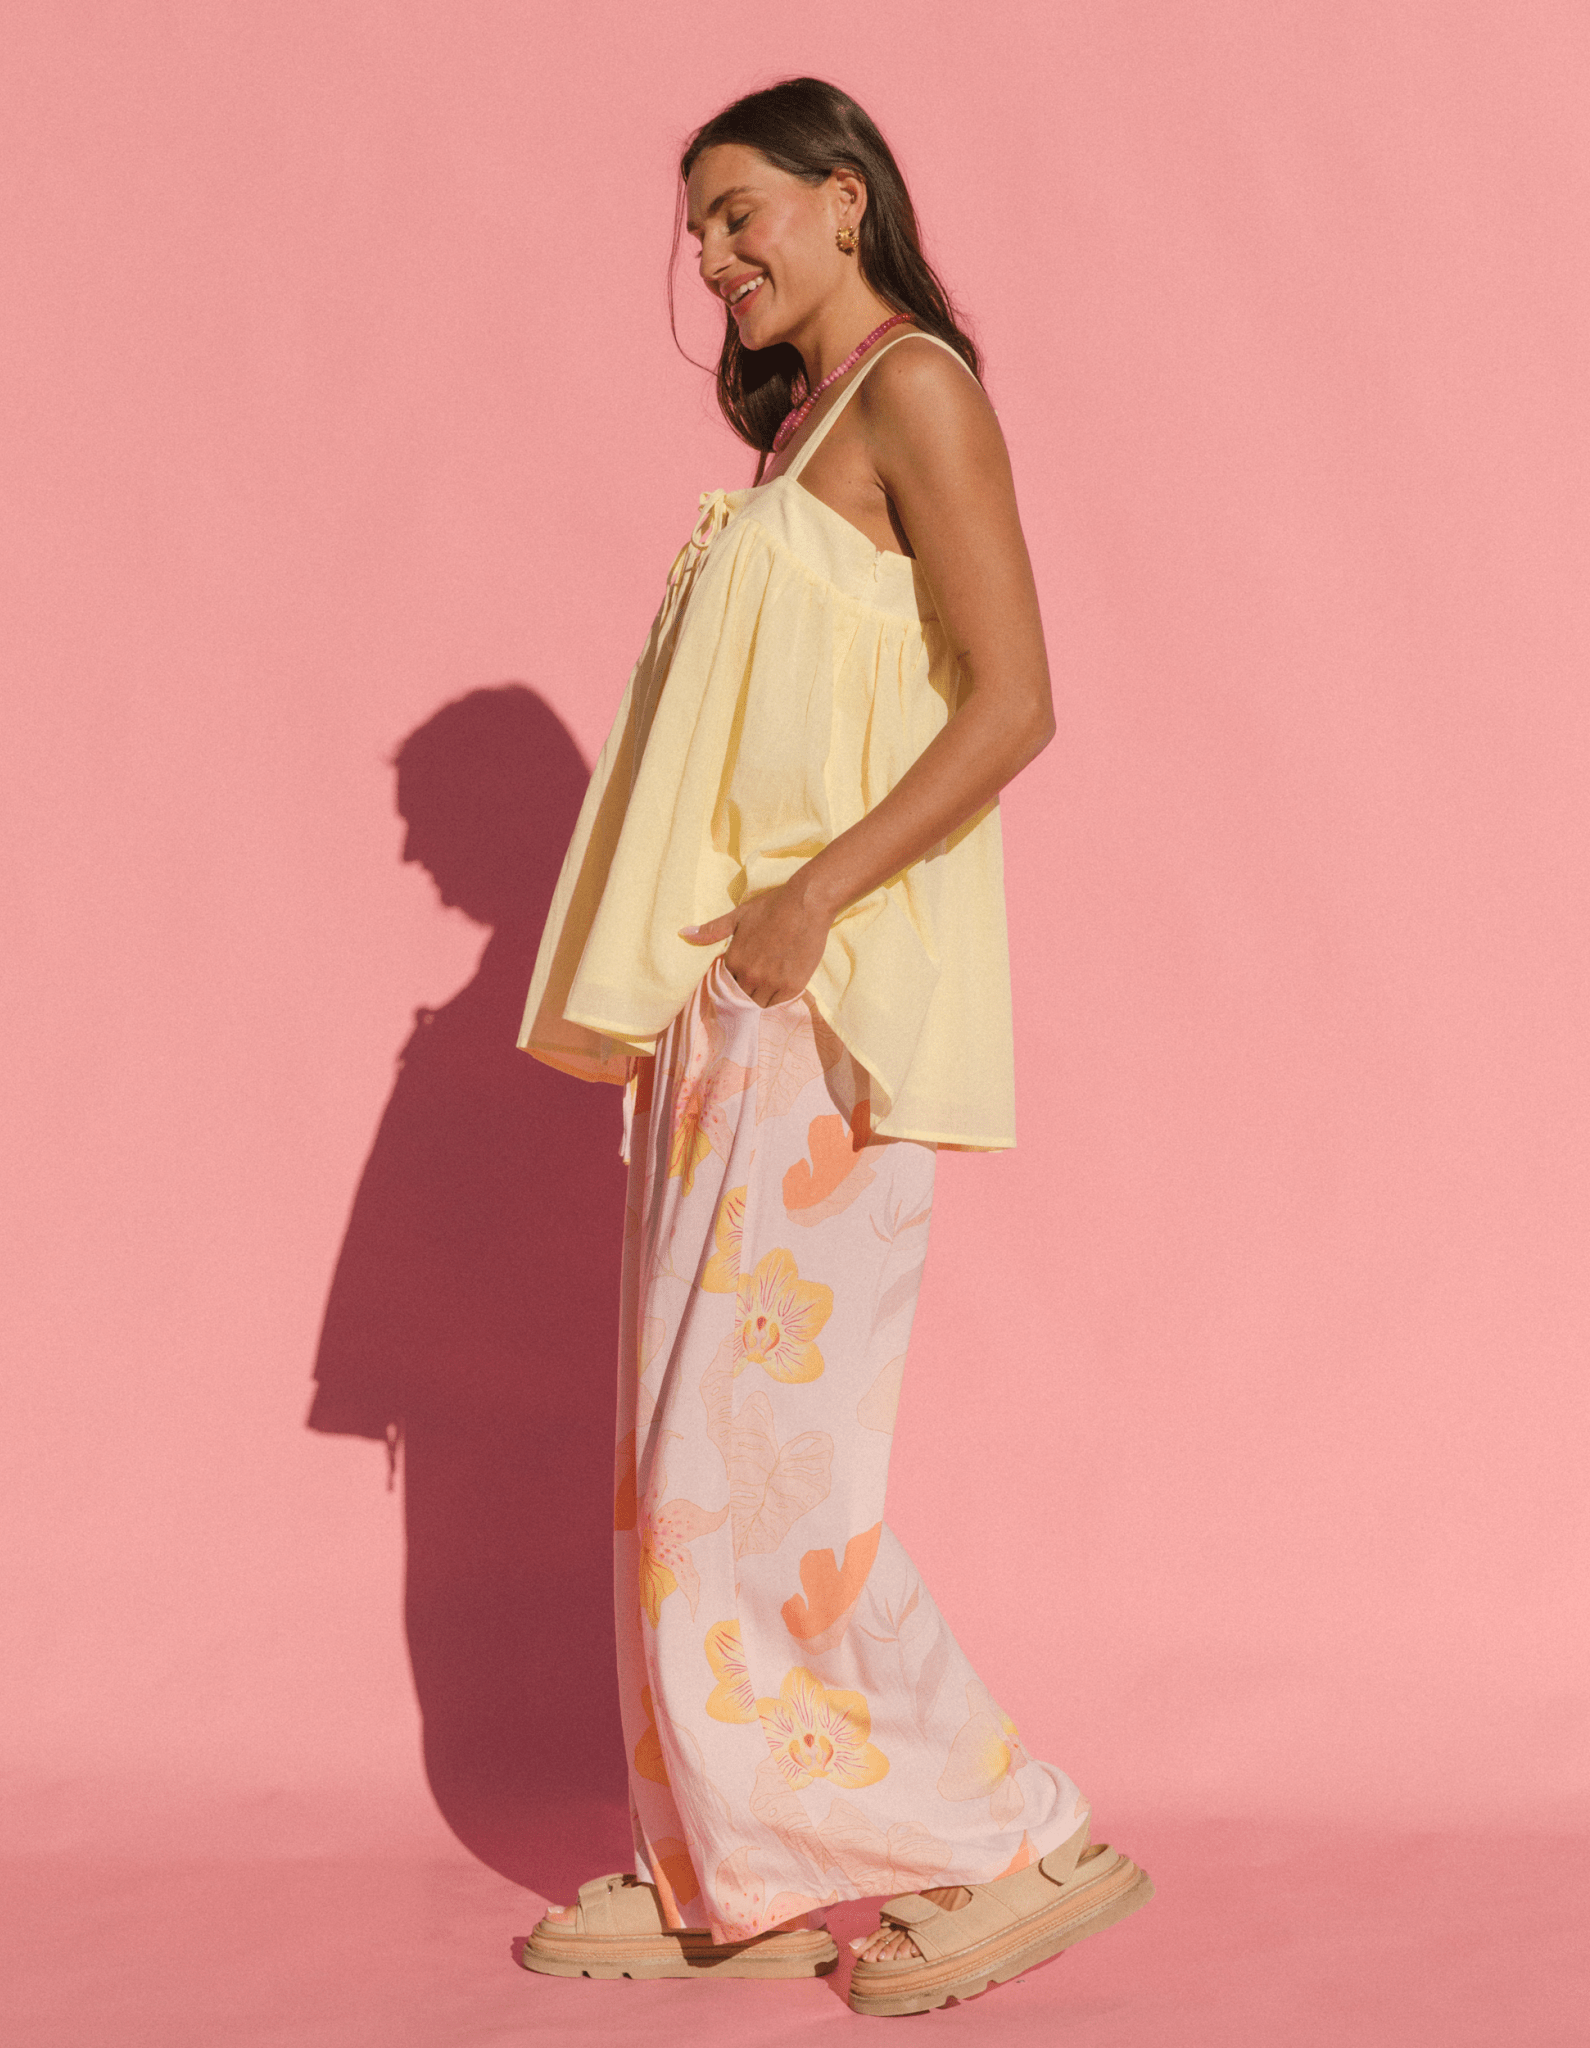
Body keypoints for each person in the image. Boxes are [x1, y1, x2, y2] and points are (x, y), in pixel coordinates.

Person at [514, 77, 1151, 2017]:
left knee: (767, 1468)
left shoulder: (914, 394)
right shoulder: (800, 439)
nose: (711, 257)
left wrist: (806, 905)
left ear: (842, 196)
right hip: (728, 1021)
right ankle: (739, 1851)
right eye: (695, 231)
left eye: (738, 214)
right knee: (679, 1461)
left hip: (828, 1010)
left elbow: (1015, 698)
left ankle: (1018, 1827)